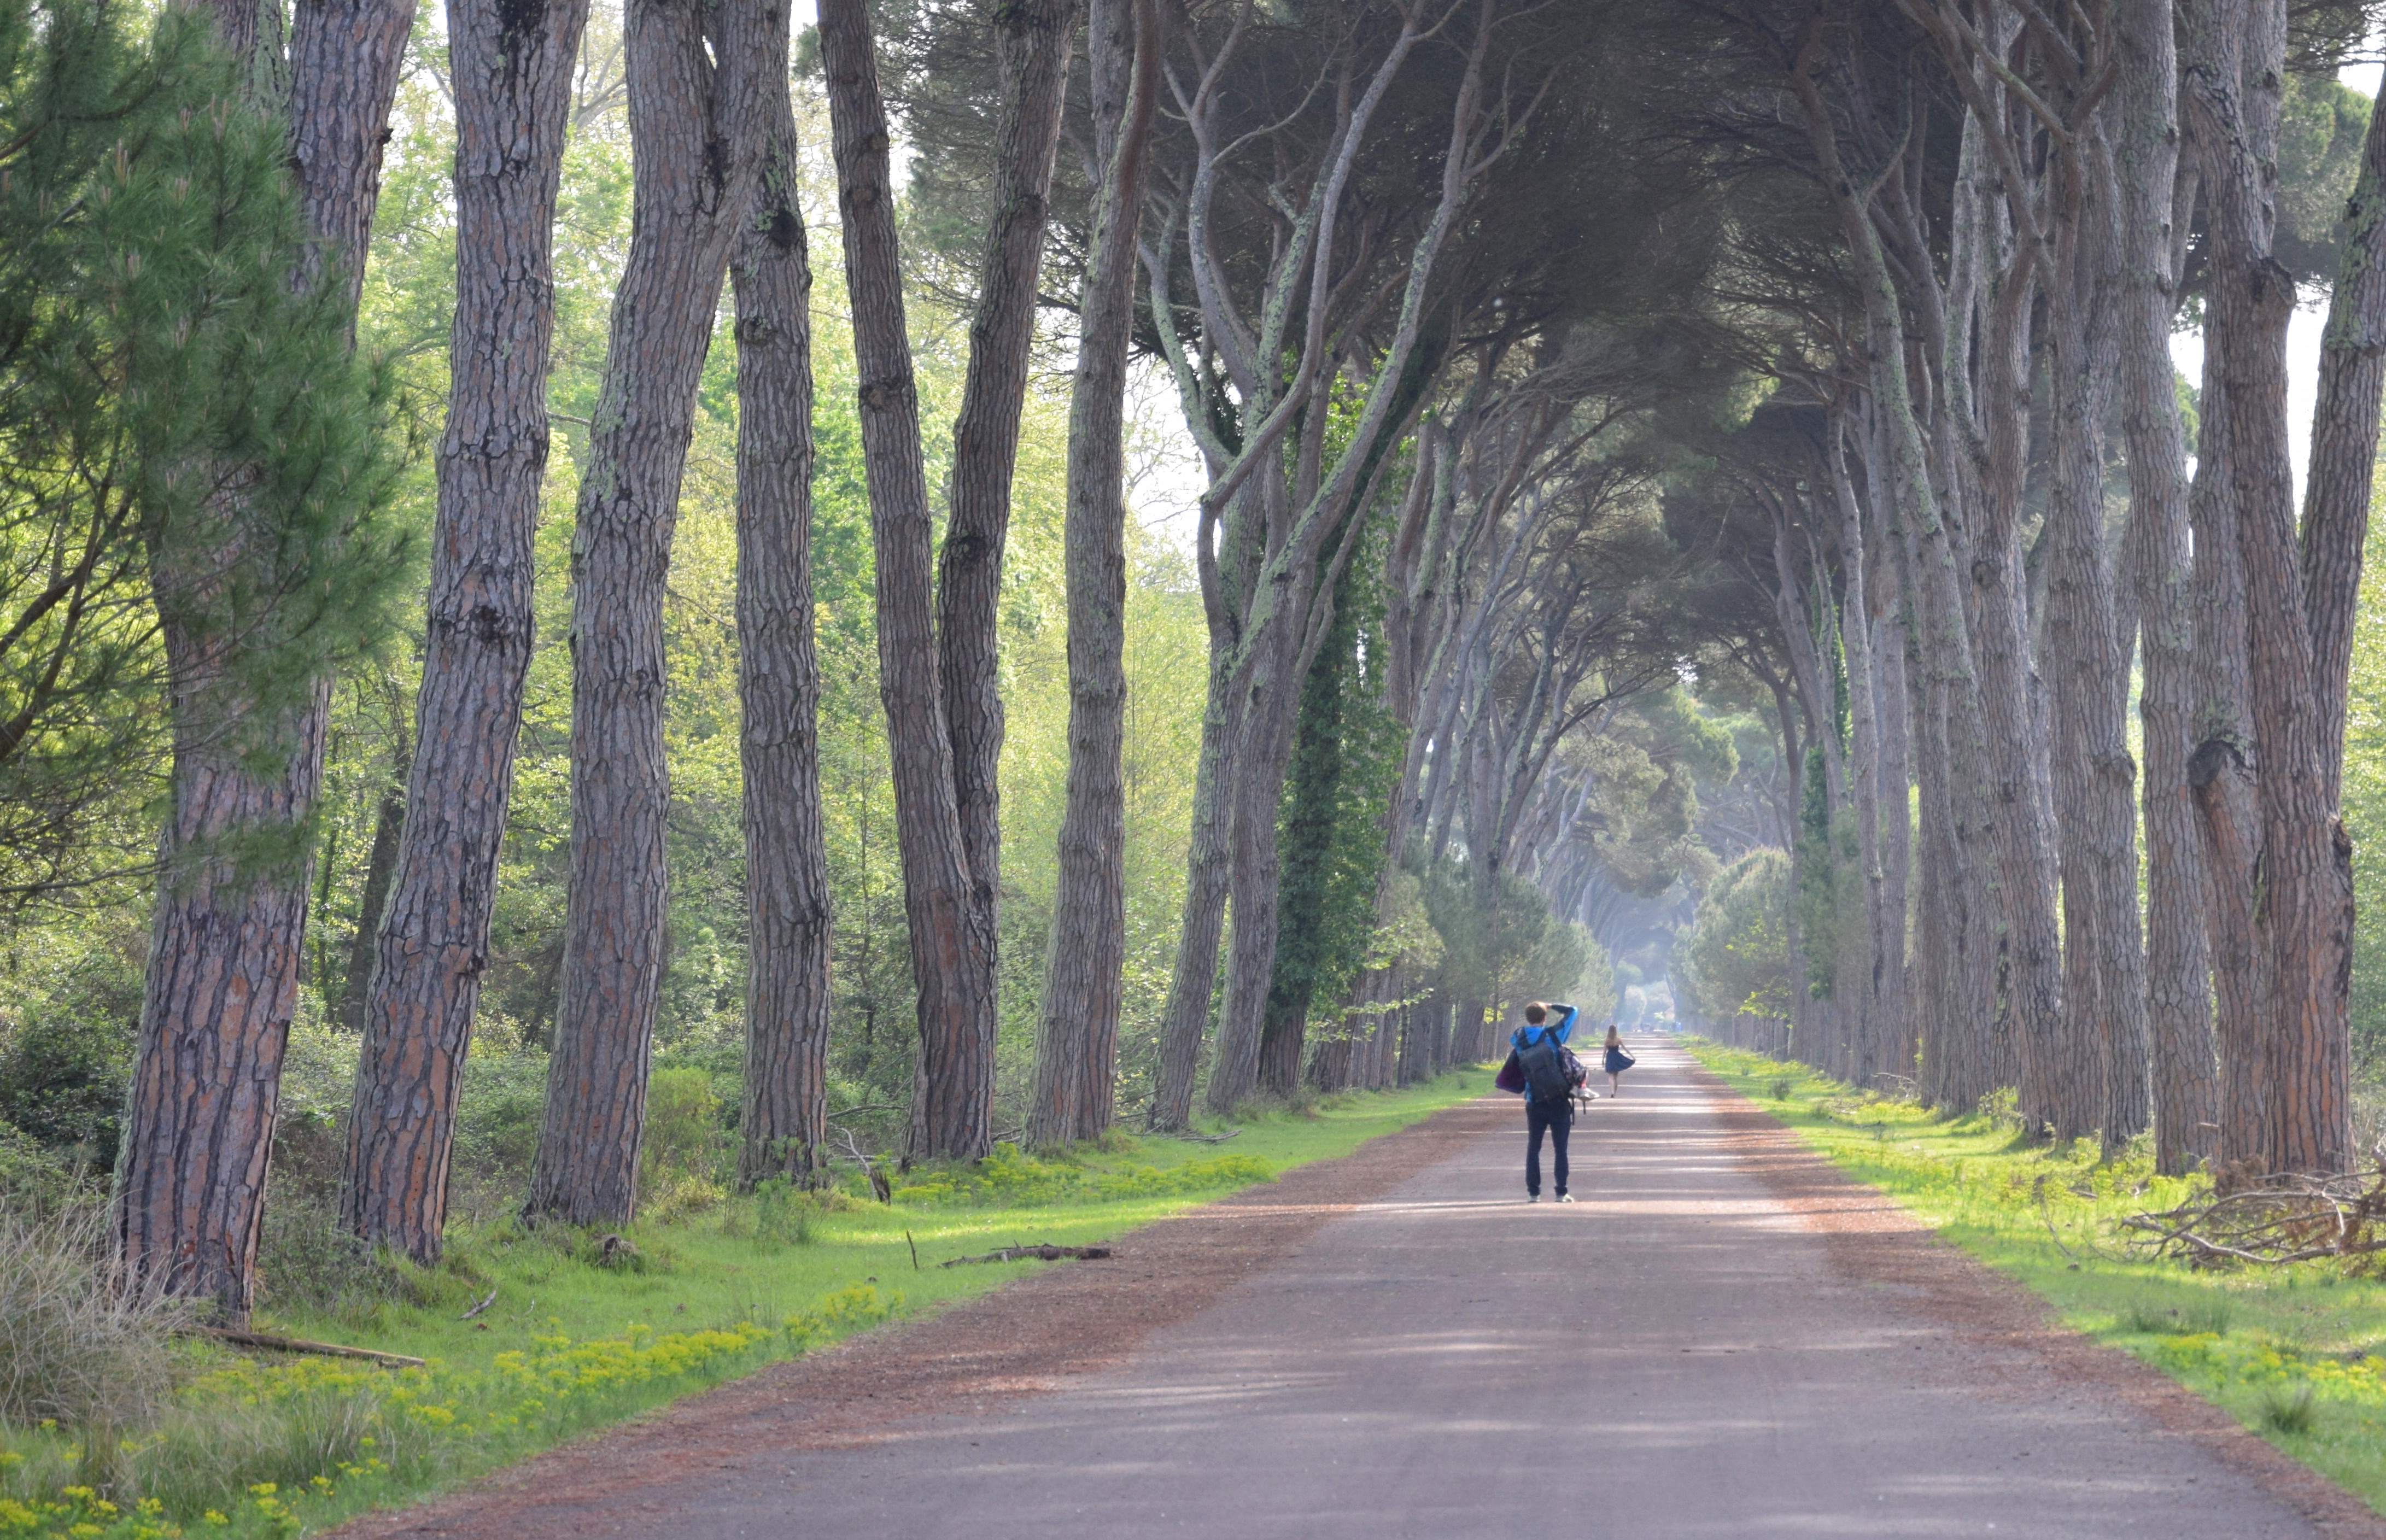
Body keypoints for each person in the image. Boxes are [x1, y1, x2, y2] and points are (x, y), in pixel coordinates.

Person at [1510, 1001, 1579, 1203]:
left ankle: (1534, 1192)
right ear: (1544, 1018)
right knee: (1561, 1148)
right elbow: (1573, 1011)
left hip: (1534, 1100)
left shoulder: (1519, 1037)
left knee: (1534, 1147)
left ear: (1528, 1018)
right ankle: (1561, 1192)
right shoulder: (1554, 1036)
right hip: (1558, 1099)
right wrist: (1551, 1005)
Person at [1603, 1022, 1635, 1098]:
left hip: (1610, 1057)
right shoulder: (1618, 1040)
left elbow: (1604, 1051)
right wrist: (1632, 1056)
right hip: (1617, 1057)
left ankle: (1612, 1092)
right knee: (1615, 1076)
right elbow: (1625, 1049)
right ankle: (1614, 1092)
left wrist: (1603, 1060)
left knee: (1611, 1075)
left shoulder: (1607, 1040)